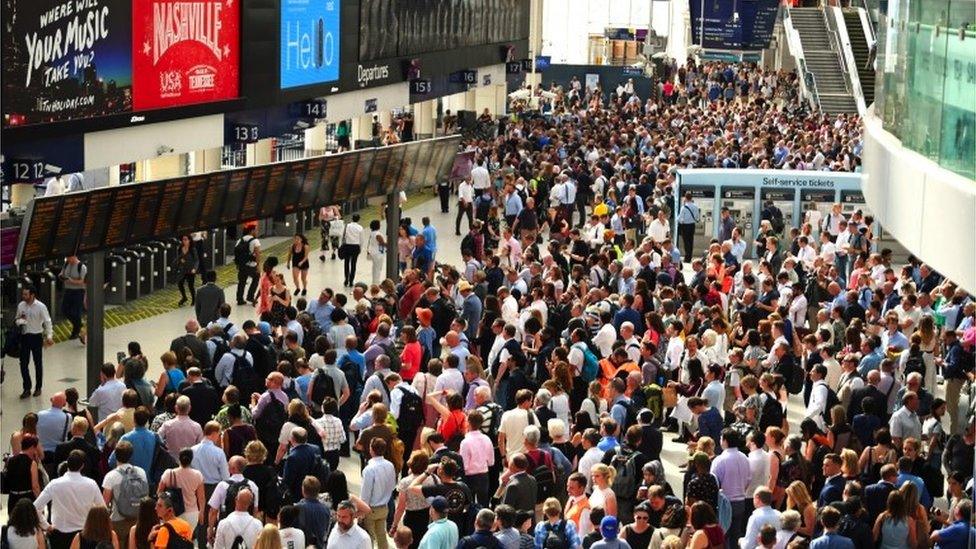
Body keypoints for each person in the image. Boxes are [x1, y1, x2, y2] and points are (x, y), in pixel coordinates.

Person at [33, 450, 104, 549]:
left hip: (59, 535)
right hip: (84, 534)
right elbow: (102, 509)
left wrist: (46, 525)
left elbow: (35, 507)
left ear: (67, 464)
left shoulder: (55, 484)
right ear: (82, 466)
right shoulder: (91, 484)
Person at [101, 441, 149, 549]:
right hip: (138, 519)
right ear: (131, 455)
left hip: (118, 521)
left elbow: (104, 504)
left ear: (115, 455)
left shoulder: (111, 476)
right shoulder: (141, 472)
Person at [15, 286, 53, 398]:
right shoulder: (21, 305)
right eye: (23, 294)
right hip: (24, 337)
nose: (24, 296)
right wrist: (20, 321)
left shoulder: (41, 307)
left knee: (38, 363)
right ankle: (26, 388)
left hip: (36, 337)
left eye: (26, 294)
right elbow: (16, 320)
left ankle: (38, 387)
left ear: (32, 295)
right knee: (23, 364)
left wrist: (49, 336)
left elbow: (47, 322)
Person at [360, 438, 397, 549]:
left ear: (371, 449)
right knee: (382, 536)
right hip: (384, 507)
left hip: (370, 508)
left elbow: (365, 493)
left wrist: (361, 510)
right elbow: (392, 485)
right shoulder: (390, 465)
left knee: (369, 538)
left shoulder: (369, 469)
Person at [59, 255, 87, 343]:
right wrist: (61, 277)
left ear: (74, 257)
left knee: (75, 312)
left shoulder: (81, 267)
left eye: (69, 258)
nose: (68, 259)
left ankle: (75, 331)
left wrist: (72, 281)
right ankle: (80, 326)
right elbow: (61, 273)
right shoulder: (66, 264)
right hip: (68, 290)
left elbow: (83, 281)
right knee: (64, 310)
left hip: (78, 291)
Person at [173, 235, 199, 307]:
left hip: (191, 270)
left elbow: (197, 260)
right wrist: (180, 261)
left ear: (189, 240)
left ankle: (194, 299)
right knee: (180, 283)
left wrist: (195, 269)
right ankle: (184, 297)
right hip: (183, 270)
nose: (184, 241)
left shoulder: (192, 249)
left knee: (191, 286)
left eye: (185, 239)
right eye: (183, 239)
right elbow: (179, 258)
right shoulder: (180, 248)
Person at [341, 214, 365, 287]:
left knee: (346, 263)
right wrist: (360, 248)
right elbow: (362, 240)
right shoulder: (360, 228)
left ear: (352, 218)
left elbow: (344, 235)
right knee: (353, 264)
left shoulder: (347, 226)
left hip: (348, 245)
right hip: (355, 246)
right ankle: (351, 280)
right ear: (358, 219)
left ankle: (346, 279)